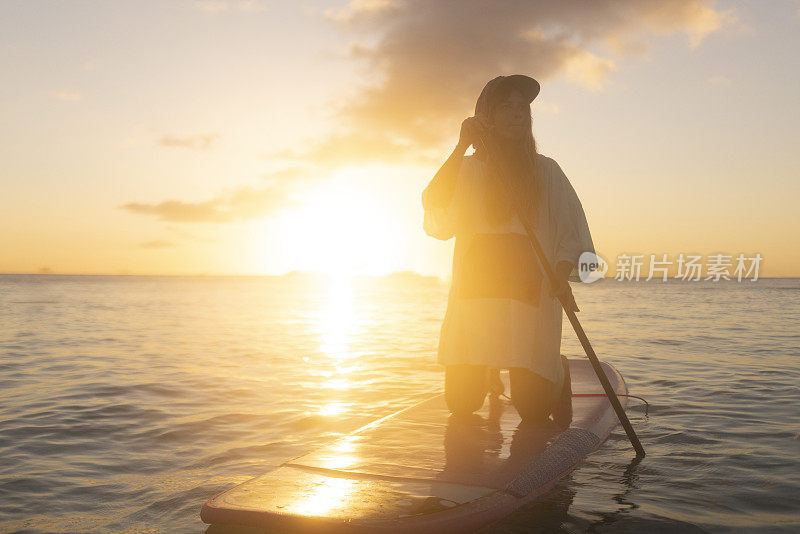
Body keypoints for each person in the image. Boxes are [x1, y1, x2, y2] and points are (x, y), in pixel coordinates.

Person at [422, 75, 595, 426]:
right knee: (462, 406)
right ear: (487, 117)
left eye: (522, 107)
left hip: (530, 294)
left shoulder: (547, 171)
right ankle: (485, 372)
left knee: (532, 411)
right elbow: (434, 203)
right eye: (506, 106)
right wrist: (460, 147)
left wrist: (561, 275)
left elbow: (569, 230)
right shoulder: (467, 169)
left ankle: (556, 370)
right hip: (475, 293)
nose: (517, 113)